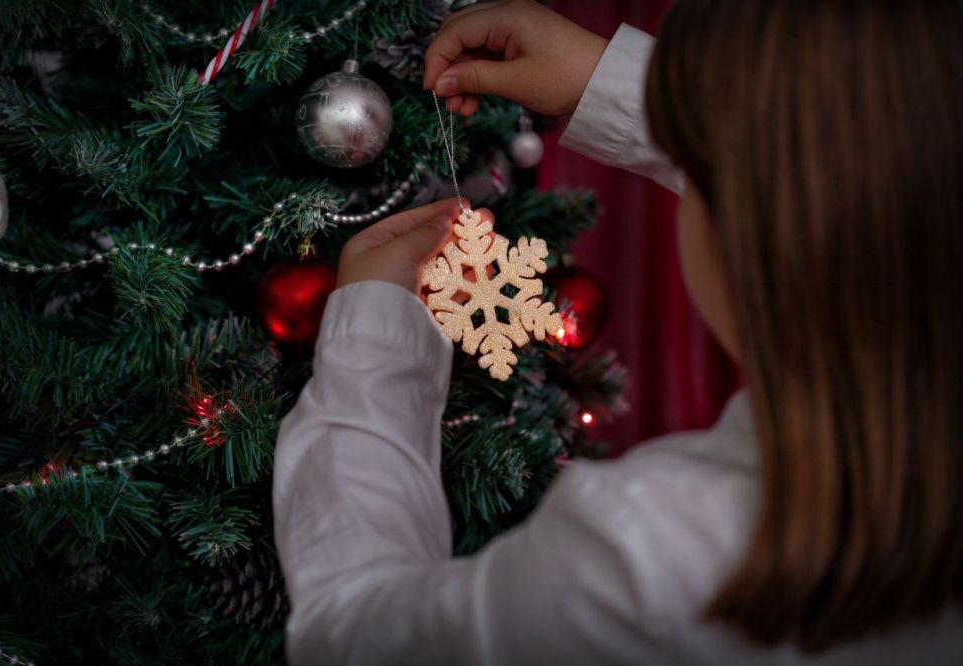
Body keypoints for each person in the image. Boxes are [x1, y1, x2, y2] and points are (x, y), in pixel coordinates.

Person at [272, 0, 963, 663]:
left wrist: (375, 333)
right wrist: (620, 83)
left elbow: (359, 635)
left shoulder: (654, 556)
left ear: (740, 240)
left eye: (702, 162)